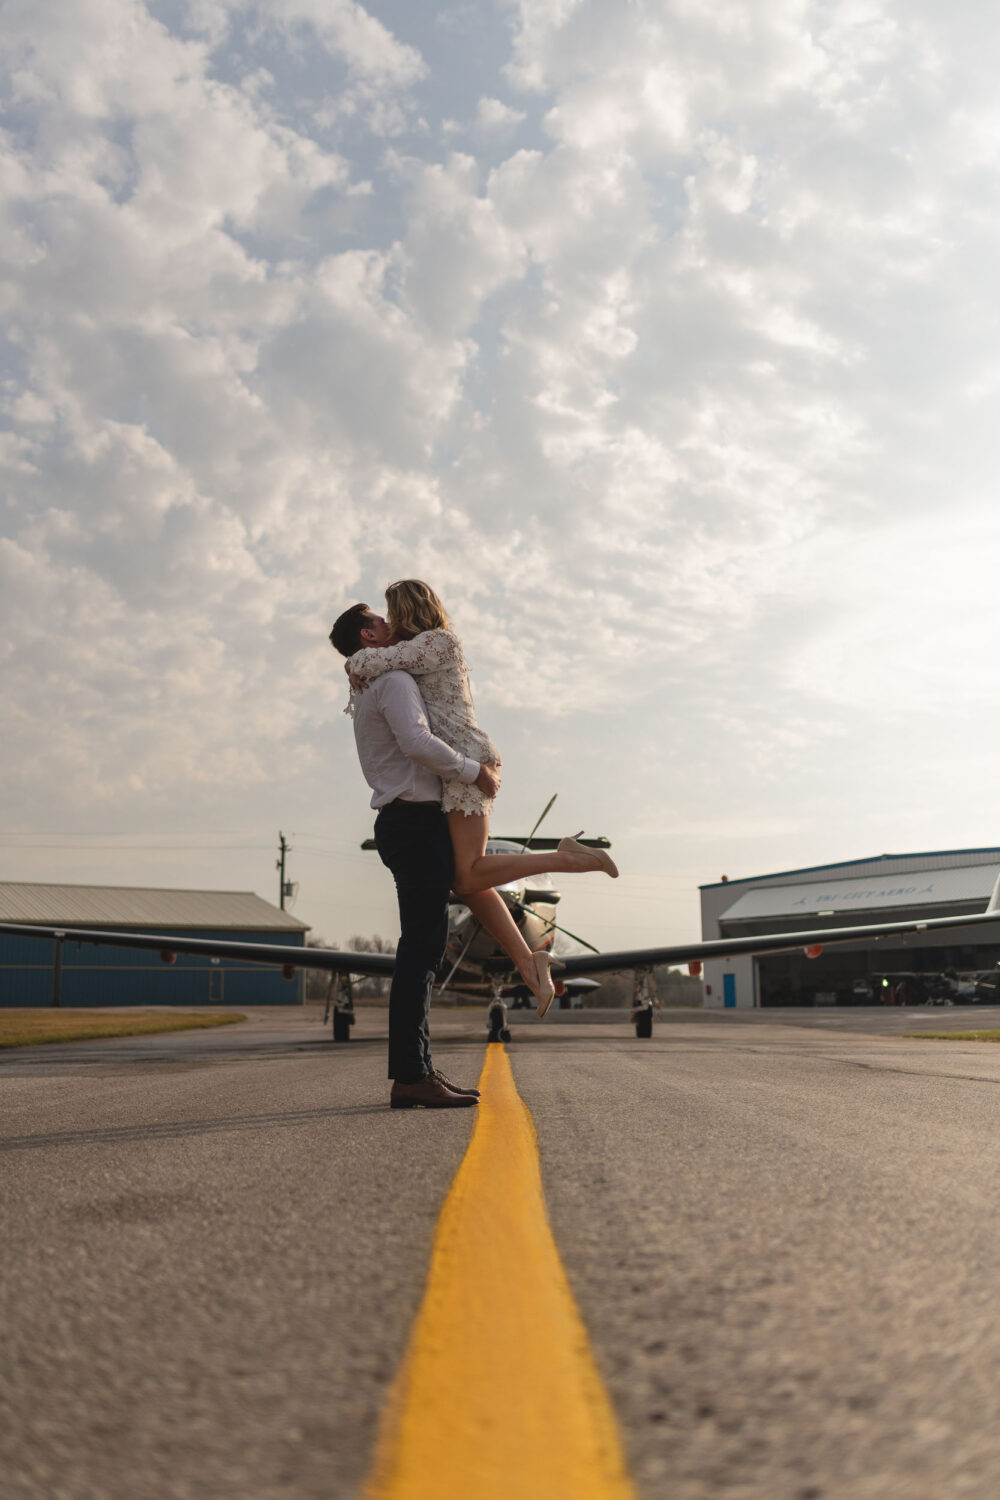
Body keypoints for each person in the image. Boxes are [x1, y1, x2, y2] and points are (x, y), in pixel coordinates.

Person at [342, 579, 618, 1014]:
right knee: (468, 881)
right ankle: (529, 963)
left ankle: (565, 857)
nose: (389, 623)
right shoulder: (417, 653)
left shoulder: (437, 643)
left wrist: (355, 661)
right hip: (459, 761)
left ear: (410, 612)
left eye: (392, 613)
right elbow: (382, 664)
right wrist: (359, 662)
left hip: (470, 760)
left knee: (468, 876)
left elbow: (378, 659)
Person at [330, 602, 498, 1108]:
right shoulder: (396, 682)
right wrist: (474, 771)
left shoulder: (372, 686)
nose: (392, 625)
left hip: (404, 822)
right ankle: (410, 1075)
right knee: (421, 952)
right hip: (413, 821)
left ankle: (417, 1068)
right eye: (381, 621)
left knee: (421, 949)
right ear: (368, 634)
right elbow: (417, 741)